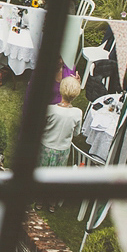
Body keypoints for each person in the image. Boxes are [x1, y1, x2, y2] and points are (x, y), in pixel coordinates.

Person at [38, 76, 84, 212]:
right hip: (63, 150)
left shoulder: (50, 109)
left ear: (60, 90)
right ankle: (52, 203)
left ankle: (39, 201)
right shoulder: (77, 113)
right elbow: (76, 133)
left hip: (46, 146)